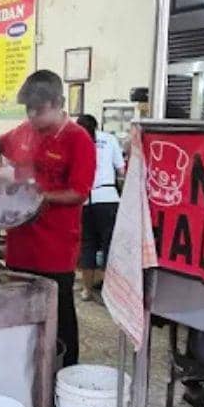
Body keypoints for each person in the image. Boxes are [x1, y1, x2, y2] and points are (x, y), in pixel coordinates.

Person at [0, 70, 95, 367]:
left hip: (55, 248)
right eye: (28, 110)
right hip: (21, 244)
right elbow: (0, 143)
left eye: (39, 110)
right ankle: (25, 365)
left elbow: (79, 193)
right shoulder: (25, 131)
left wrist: (39, 196)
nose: (32, 116)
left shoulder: (77, 139)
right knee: (21, 309)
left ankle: (63, 370)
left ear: (58, 103)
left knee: (59, 315)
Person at [76, 114, 125, 302]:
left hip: (85, 200)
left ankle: (86, 290)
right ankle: (108, 292)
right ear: (97, 126)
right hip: (108, 198)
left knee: (87, 244)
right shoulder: (110, 139)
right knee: (109, 245)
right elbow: (121, 171)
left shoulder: (77, 143)